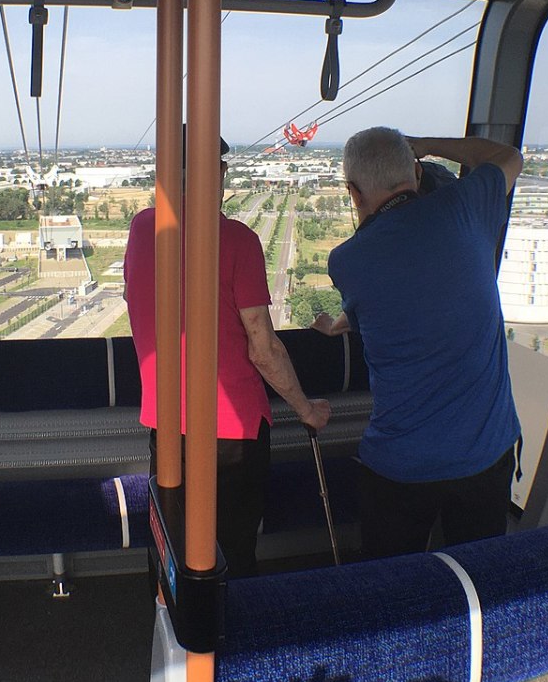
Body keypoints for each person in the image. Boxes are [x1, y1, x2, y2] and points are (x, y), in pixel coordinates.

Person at [124, 134, 331, 577]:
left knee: (173, 544)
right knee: (232, 552)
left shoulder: (141, 229)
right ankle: (232, 639)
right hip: (231, 433)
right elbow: (263, 346)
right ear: (215, 174)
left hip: (167, 425)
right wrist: (306, 409)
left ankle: (177, 635)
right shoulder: (235, 240)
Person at [313, 128, 522, 558]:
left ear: (353, 193)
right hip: (486, 453)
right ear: (415, 170)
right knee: (481, 579)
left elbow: (382, 303)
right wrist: (426, 146)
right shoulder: (467, 206)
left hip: (400, 465)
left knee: (390, 587)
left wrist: (335, 325)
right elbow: (509, 155)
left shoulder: (347, 261)